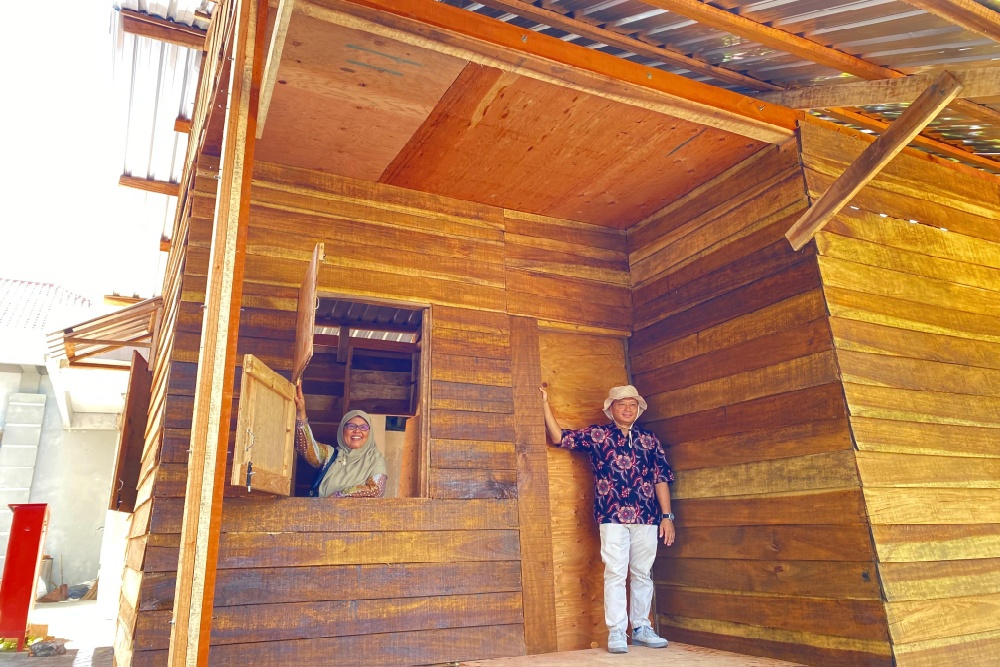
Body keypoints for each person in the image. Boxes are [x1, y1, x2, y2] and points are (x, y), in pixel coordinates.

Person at [541, 384, 674, 654]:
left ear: (638, 409)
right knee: (615, 572)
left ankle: (641, 628)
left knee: (642, 573)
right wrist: (544, 403)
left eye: (632, 404)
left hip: (647, 517)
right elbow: (559, 438)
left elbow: (660, 478)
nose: (627, 409)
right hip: (611, 516)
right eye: (621, 404)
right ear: (611, 409)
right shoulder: (599, 435)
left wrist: (666, 516)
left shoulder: (649, 439)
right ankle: (616, 632)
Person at [294, 384, 388, 498]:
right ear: (342, 430)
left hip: (354, 511)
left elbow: (376, 490)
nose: (357, 431)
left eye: (363, 427)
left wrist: (340, 495)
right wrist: (301, 413)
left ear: (370, 432)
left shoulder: (375, 459)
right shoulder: (331, 455)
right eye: (351, 426)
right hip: (321, 509)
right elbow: (307, 449)